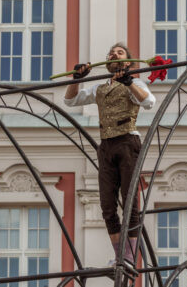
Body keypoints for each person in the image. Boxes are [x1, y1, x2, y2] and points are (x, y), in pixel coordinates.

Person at [64, 43, 156, 266]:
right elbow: (70, 100)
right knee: (107, 205)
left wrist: (129, 82)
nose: (114, 54)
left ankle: (129, 257)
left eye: (120, 52)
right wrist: (77, 79)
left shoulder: (135, 82)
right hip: (106, 146)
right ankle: (120, 255)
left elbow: (149, 102)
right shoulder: (100, 88)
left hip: (127, 142)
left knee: (130, 201)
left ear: (127, 62)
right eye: (111, 53)